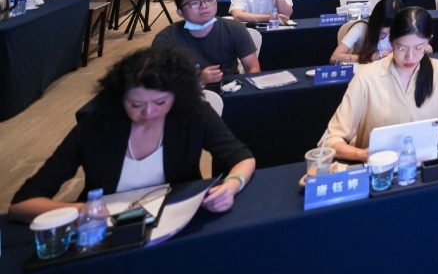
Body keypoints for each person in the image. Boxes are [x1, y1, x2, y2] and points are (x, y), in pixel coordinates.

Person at [9, 46, 255, 223]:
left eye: (160, 102)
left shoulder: (193, 114)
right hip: (107, 228)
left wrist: (232, 185)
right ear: (119, 98)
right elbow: (22, 204)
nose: (148, 113)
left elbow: (242, 157)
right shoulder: (95, 127)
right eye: (136, 104)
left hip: (175, 219)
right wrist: (81, 211)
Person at [324, 7, 438, 162]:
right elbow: (332, 139)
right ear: (391, 41)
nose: (410, 57)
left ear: (429, 40)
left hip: (424, 162)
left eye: (419, 47)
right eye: (401, 48)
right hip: (378, 168)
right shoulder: (366, 77)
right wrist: (362, 155)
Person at [153, 0, 260, 87]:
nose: (203, 6)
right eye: (194, 3)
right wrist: (198, 80)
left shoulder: (234, 28)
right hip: (186, 92)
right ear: (180, 12)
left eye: (209, 0)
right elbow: (159, 81)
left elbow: (253, 68)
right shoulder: (166, 39)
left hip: (230, 88)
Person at [330, 0, 404, 64]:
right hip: (362, 70)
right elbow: (334, 58)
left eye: (390, 27)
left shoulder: (401, 30)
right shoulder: (361, 27)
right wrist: (368, 57)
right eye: (382, 25)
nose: (385, 31)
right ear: (376, 18)